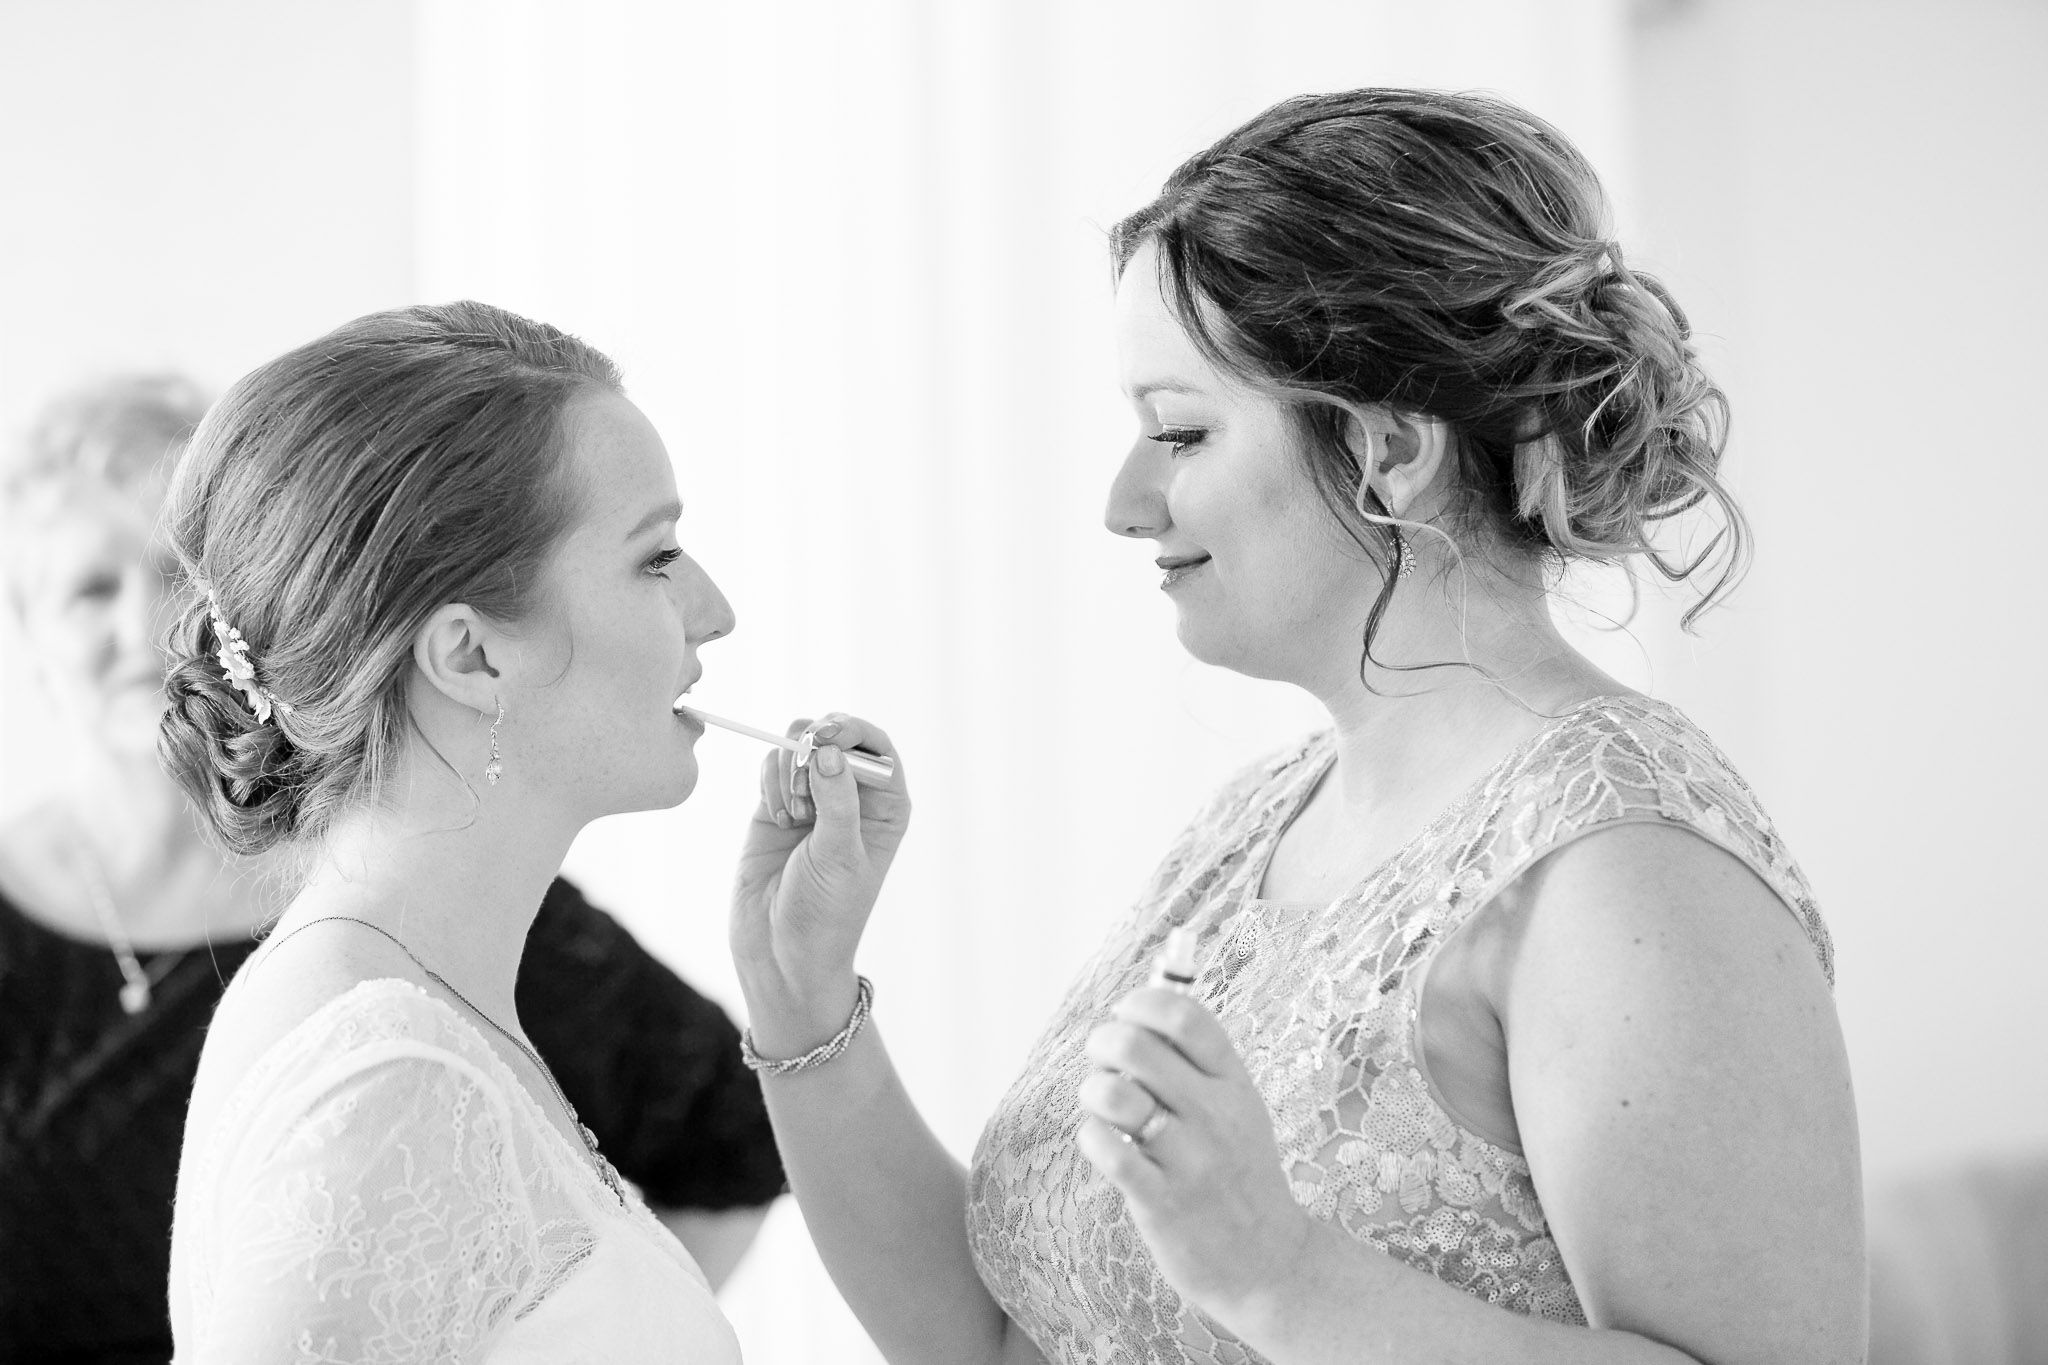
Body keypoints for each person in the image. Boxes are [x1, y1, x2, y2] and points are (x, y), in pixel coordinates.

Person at [728, 90, 1865, 1364]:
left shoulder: (1627, 863)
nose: (1122, 501)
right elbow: (1002, 1341)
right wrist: (800, 999)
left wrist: (1281, 1278)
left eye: (1177, 432)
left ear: (1385, 452)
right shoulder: (1256, 821)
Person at [0, 375, 782, 1363]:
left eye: (167, 578)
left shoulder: (448, 938)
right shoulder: (372, 1061)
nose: (137, 631)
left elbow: (722, 1132)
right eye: (654, 556)